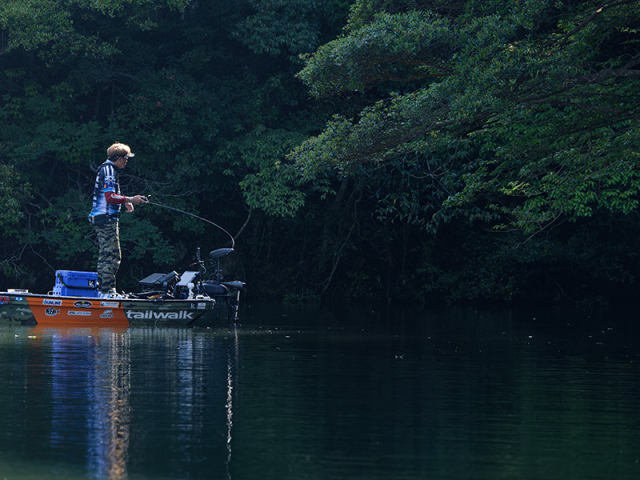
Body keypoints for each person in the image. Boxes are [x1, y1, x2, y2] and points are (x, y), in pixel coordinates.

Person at [89, 143, 148, 298]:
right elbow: (109, 197)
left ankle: (101, 291)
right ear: (120, 158)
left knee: (104, 255)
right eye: (126, 158)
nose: (127, 161)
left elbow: (110, 195)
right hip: (106, 218)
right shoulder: (109, 170)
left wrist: (124, 201)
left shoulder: (106, 168)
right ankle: (108, 292)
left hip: (101, 217)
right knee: (114, 256)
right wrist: (131, 199)